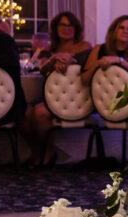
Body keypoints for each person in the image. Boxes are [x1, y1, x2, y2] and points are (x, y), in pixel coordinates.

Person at [21, 12, 92, 166]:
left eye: (69, 25)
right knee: (26, 113)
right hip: (52, 96)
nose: (66, 28)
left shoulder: (84, 46)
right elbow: (42, 69)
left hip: (78, 97)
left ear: (76, 28)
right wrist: (54, 59)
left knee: (39, 113)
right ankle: (41, 151)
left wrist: (69, 61)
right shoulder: (48, 48)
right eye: (62, 25)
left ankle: (43, 154)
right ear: (55, 28)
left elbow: (87, 68)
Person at [80, 15, 128, 86]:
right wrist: (98, 63)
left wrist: (120, 60)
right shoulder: (98, 49)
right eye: (121, 27)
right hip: (105, 94)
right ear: (114, 31)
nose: (125, 31)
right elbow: (84, 80)